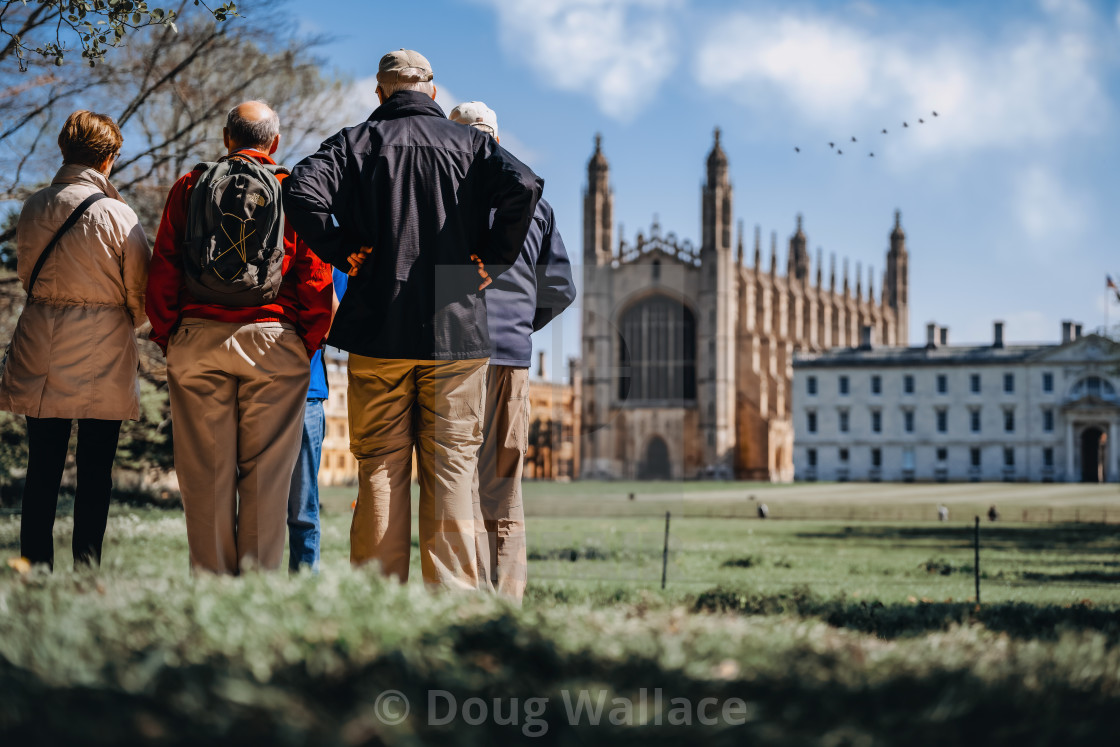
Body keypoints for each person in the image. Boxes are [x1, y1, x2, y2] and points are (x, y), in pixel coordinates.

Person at [283, 50, 542, 590]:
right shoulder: (472, 145)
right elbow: (525, 185)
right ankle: (454, 606)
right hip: (456, 325)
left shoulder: (354, 143)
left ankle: (378, 601)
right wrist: (491, 260)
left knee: (379, 467)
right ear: (432, 91)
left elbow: (300, 189)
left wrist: (341, 248)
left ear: (379, 93)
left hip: (378, 328)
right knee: (451, 470)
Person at [147, 100, 332, 575]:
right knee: (267, 480)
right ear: (275, 142)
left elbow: (164, 269)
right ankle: (254, 591)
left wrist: (171, 336)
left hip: (197, 339)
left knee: (205, 477)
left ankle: (210, 588)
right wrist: (304, 343)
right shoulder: (293, 191)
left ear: (226, 138)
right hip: (274, 342)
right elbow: (316, 281)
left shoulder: (190, 186)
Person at [0, 110, 150, 570]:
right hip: (103, 347)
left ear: (65, 151)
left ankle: (34, 567)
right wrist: (128, 319)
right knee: (96, 472)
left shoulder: (33, 206)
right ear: (108, 158)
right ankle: (87, 568)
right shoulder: (118, 214)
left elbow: (27, 274)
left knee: (42, 468)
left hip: (41, 338)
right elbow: (139, 293)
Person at [448, 101, 575, 601]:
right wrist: (522, 324)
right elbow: (561, 286)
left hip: (455, 356)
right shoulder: (536, 205)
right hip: (512, 358)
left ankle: (468, 597)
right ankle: (508, 601)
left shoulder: (446, 199)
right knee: (504, 486)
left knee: (458, 482)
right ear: (497, 140)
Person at [286, 267, 348, 573]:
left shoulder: (332, 258)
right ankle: (300, 581)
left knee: (297, 506)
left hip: (299, 388)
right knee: (302, 507)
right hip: (304, 386)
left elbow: (338, 325)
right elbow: (334, 327)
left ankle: (297, 587)